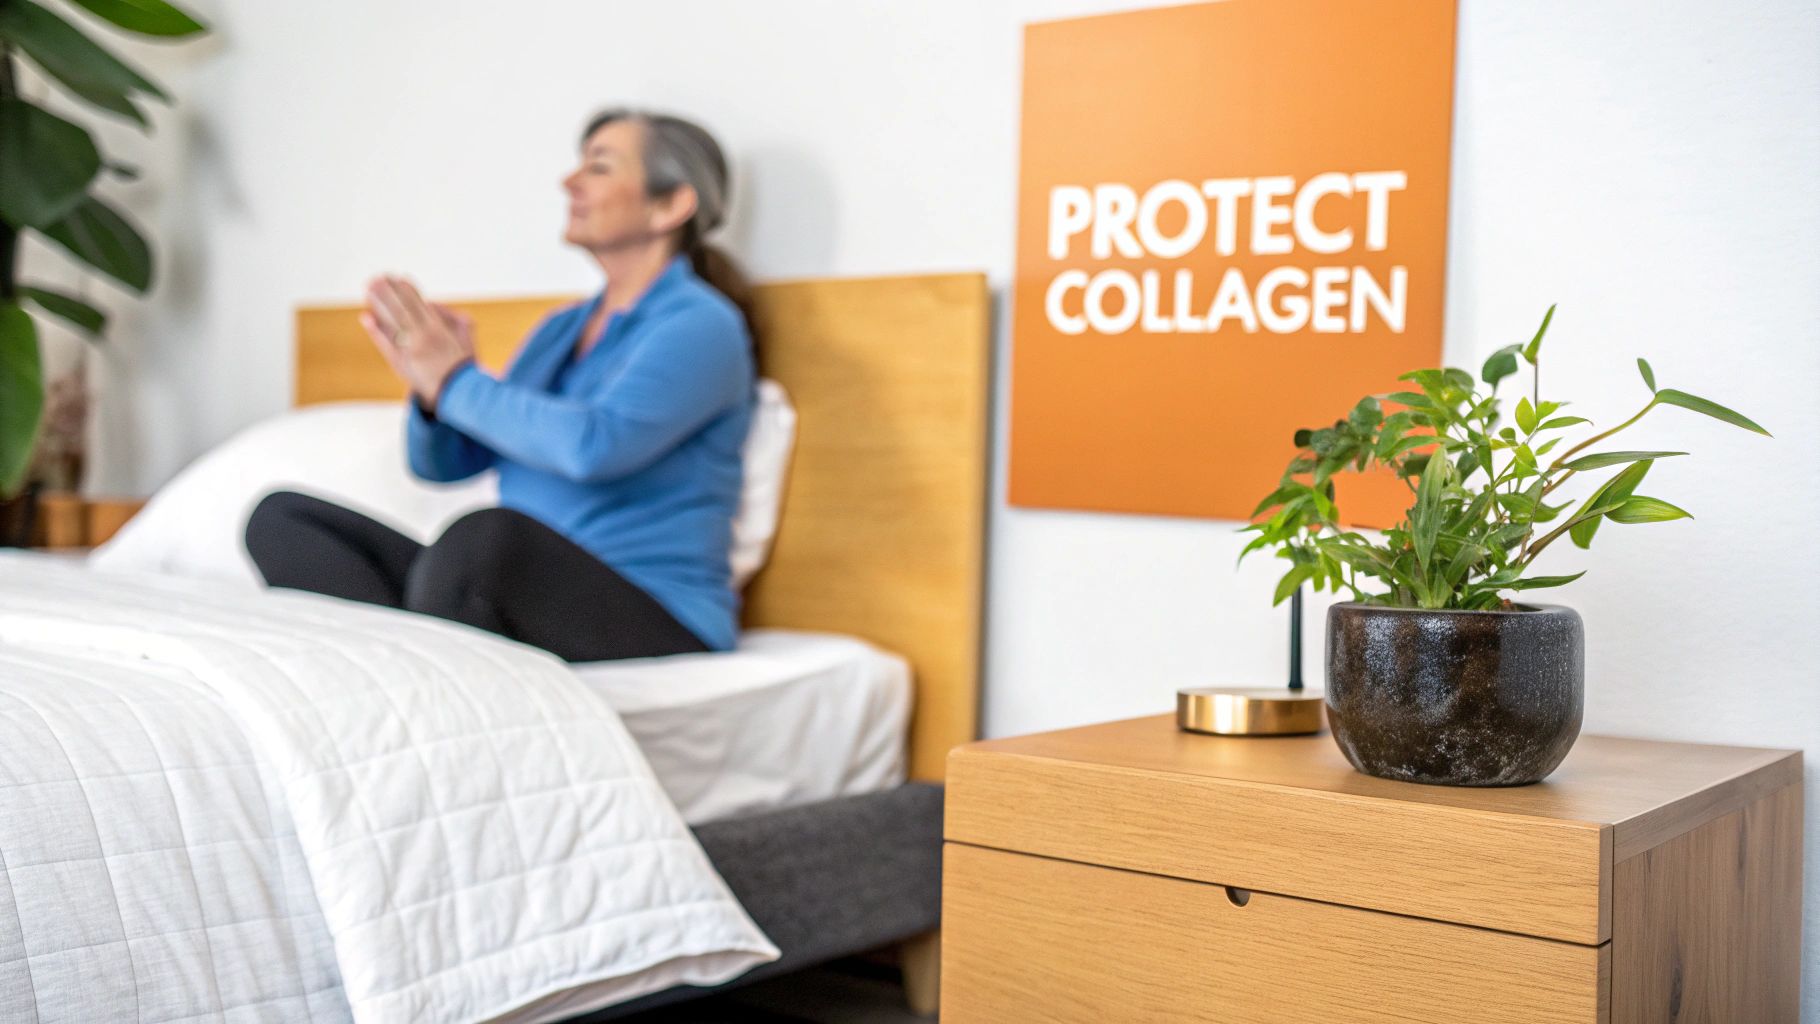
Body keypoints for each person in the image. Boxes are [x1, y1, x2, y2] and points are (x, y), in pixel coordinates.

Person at [245, 109, 757, 662]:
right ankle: (401, 674)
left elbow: (593, 446)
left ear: (672, 204)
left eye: (599, 167)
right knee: (283, 520)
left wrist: (456, 381)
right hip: (511, 587)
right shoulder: (562, 328)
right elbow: (445, 464)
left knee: (483, 541)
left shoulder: (701, 325)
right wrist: (432, 392)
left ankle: (416, 671)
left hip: (650, 612)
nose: (570, 182)